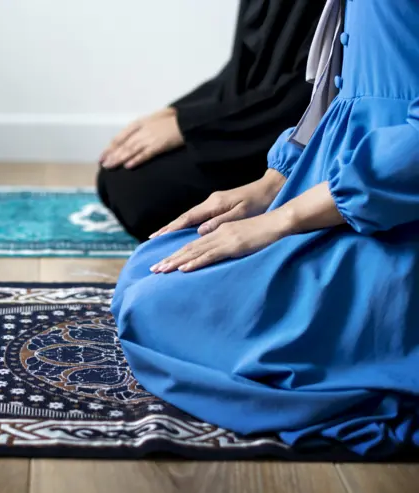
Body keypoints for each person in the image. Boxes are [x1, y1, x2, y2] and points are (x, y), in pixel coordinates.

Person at [112, 0, 419, 457]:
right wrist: (272, 183)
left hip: (394, 212)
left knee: (155, 306)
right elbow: (339, 90)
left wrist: (282, 221)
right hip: (340, 181)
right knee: (150, 270)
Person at [97, 0, 325, 242]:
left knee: (139, 192)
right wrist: (177, 113)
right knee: (121, 172)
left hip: (288, 139)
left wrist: (189, 125)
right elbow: (241, 71)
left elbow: (305, 95)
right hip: (248, 126)